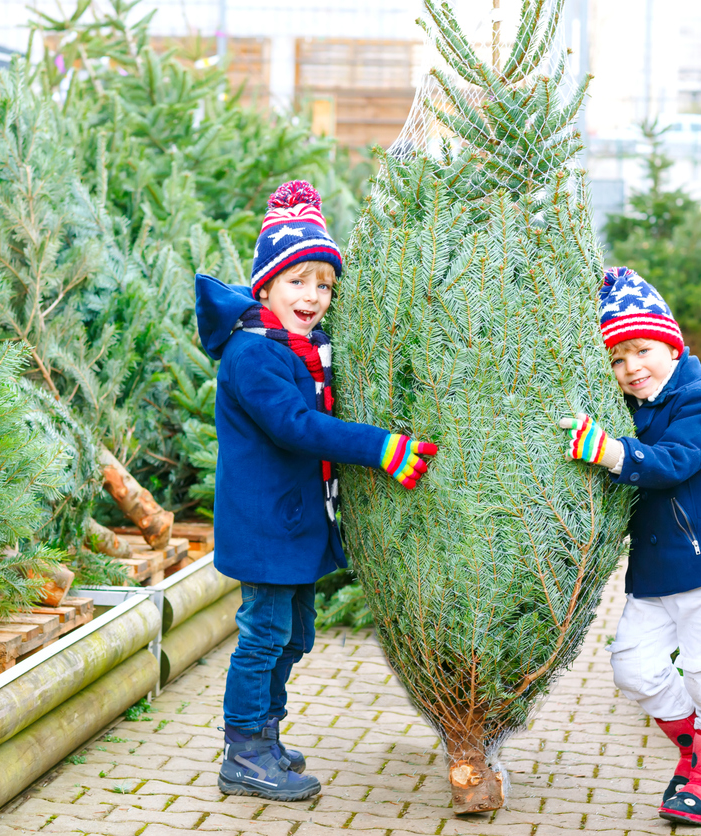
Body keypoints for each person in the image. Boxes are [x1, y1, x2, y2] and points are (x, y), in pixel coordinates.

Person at [195, 180, 437, 802]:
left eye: (323, 284)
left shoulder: (302, 349)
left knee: (295, 635)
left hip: (293, 522)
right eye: (297, 280)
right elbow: (295, 427)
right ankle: (244, 750)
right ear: (266, 287)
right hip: (265, 524)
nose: (313, 295)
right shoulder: (253, 355)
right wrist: (380, 447)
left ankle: (264, 732)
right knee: (264, 633)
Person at [557, 266, 701, 826]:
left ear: (670, 344)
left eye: (641, 350)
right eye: (617, 361)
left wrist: (611, 451)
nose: (631, 369)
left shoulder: (698, 400)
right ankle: (700, 747)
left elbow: (673, 462)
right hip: (655, 569)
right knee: (632, 665)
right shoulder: (635, 408)